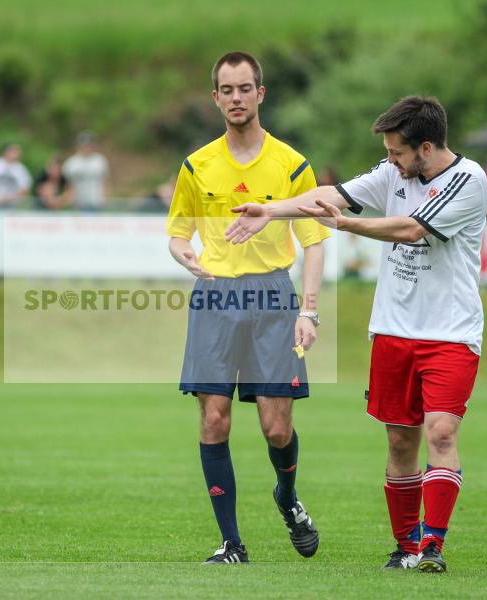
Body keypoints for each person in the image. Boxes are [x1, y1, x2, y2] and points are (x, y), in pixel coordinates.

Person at [227, 96, 487, 573]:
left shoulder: (469, 180)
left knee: (442, 431)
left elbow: (411, 230)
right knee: (399, 442)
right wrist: (272, 210)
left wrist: (348, 225)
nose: (390, 162)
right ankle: (406, 547)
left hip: (451, 332)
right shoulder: (393, 174)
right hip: (392, 330)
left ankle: (433, 546)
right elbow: (329, 195)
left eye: (397, 153)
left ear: (426, 148)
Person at [166, 51, 329, 564]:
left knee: (276, 428)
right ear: (215, 98)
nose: (236, 98)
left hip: (273, 298)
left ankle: (287, 496)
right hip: (214, 297)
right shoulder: (197, 164)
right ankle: (231, 543)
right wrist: (183, 253)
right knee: (213, 420)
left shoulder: (290, 164)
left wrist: (309, 311)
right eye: (226, 90)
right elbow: (176, 233)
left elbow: (315, 241)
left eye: (244, 89)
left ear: (261, 93)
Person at [62, 130, 109, 210]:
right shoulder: (71, 163)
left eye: (89, 144)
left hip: (96, 202)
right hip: (77, 204)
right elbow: (66, 184)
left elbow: (106, 181)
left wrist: (107, 197)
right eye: (84, 144)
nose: (87, 147)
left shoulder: (100, 161)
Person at [0, 142, 32, 209]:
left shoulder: (21, 169)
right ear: (5, 152)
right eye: (14, 151)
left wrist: (10, 199)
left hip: (13, 208)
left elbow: (25, 189)